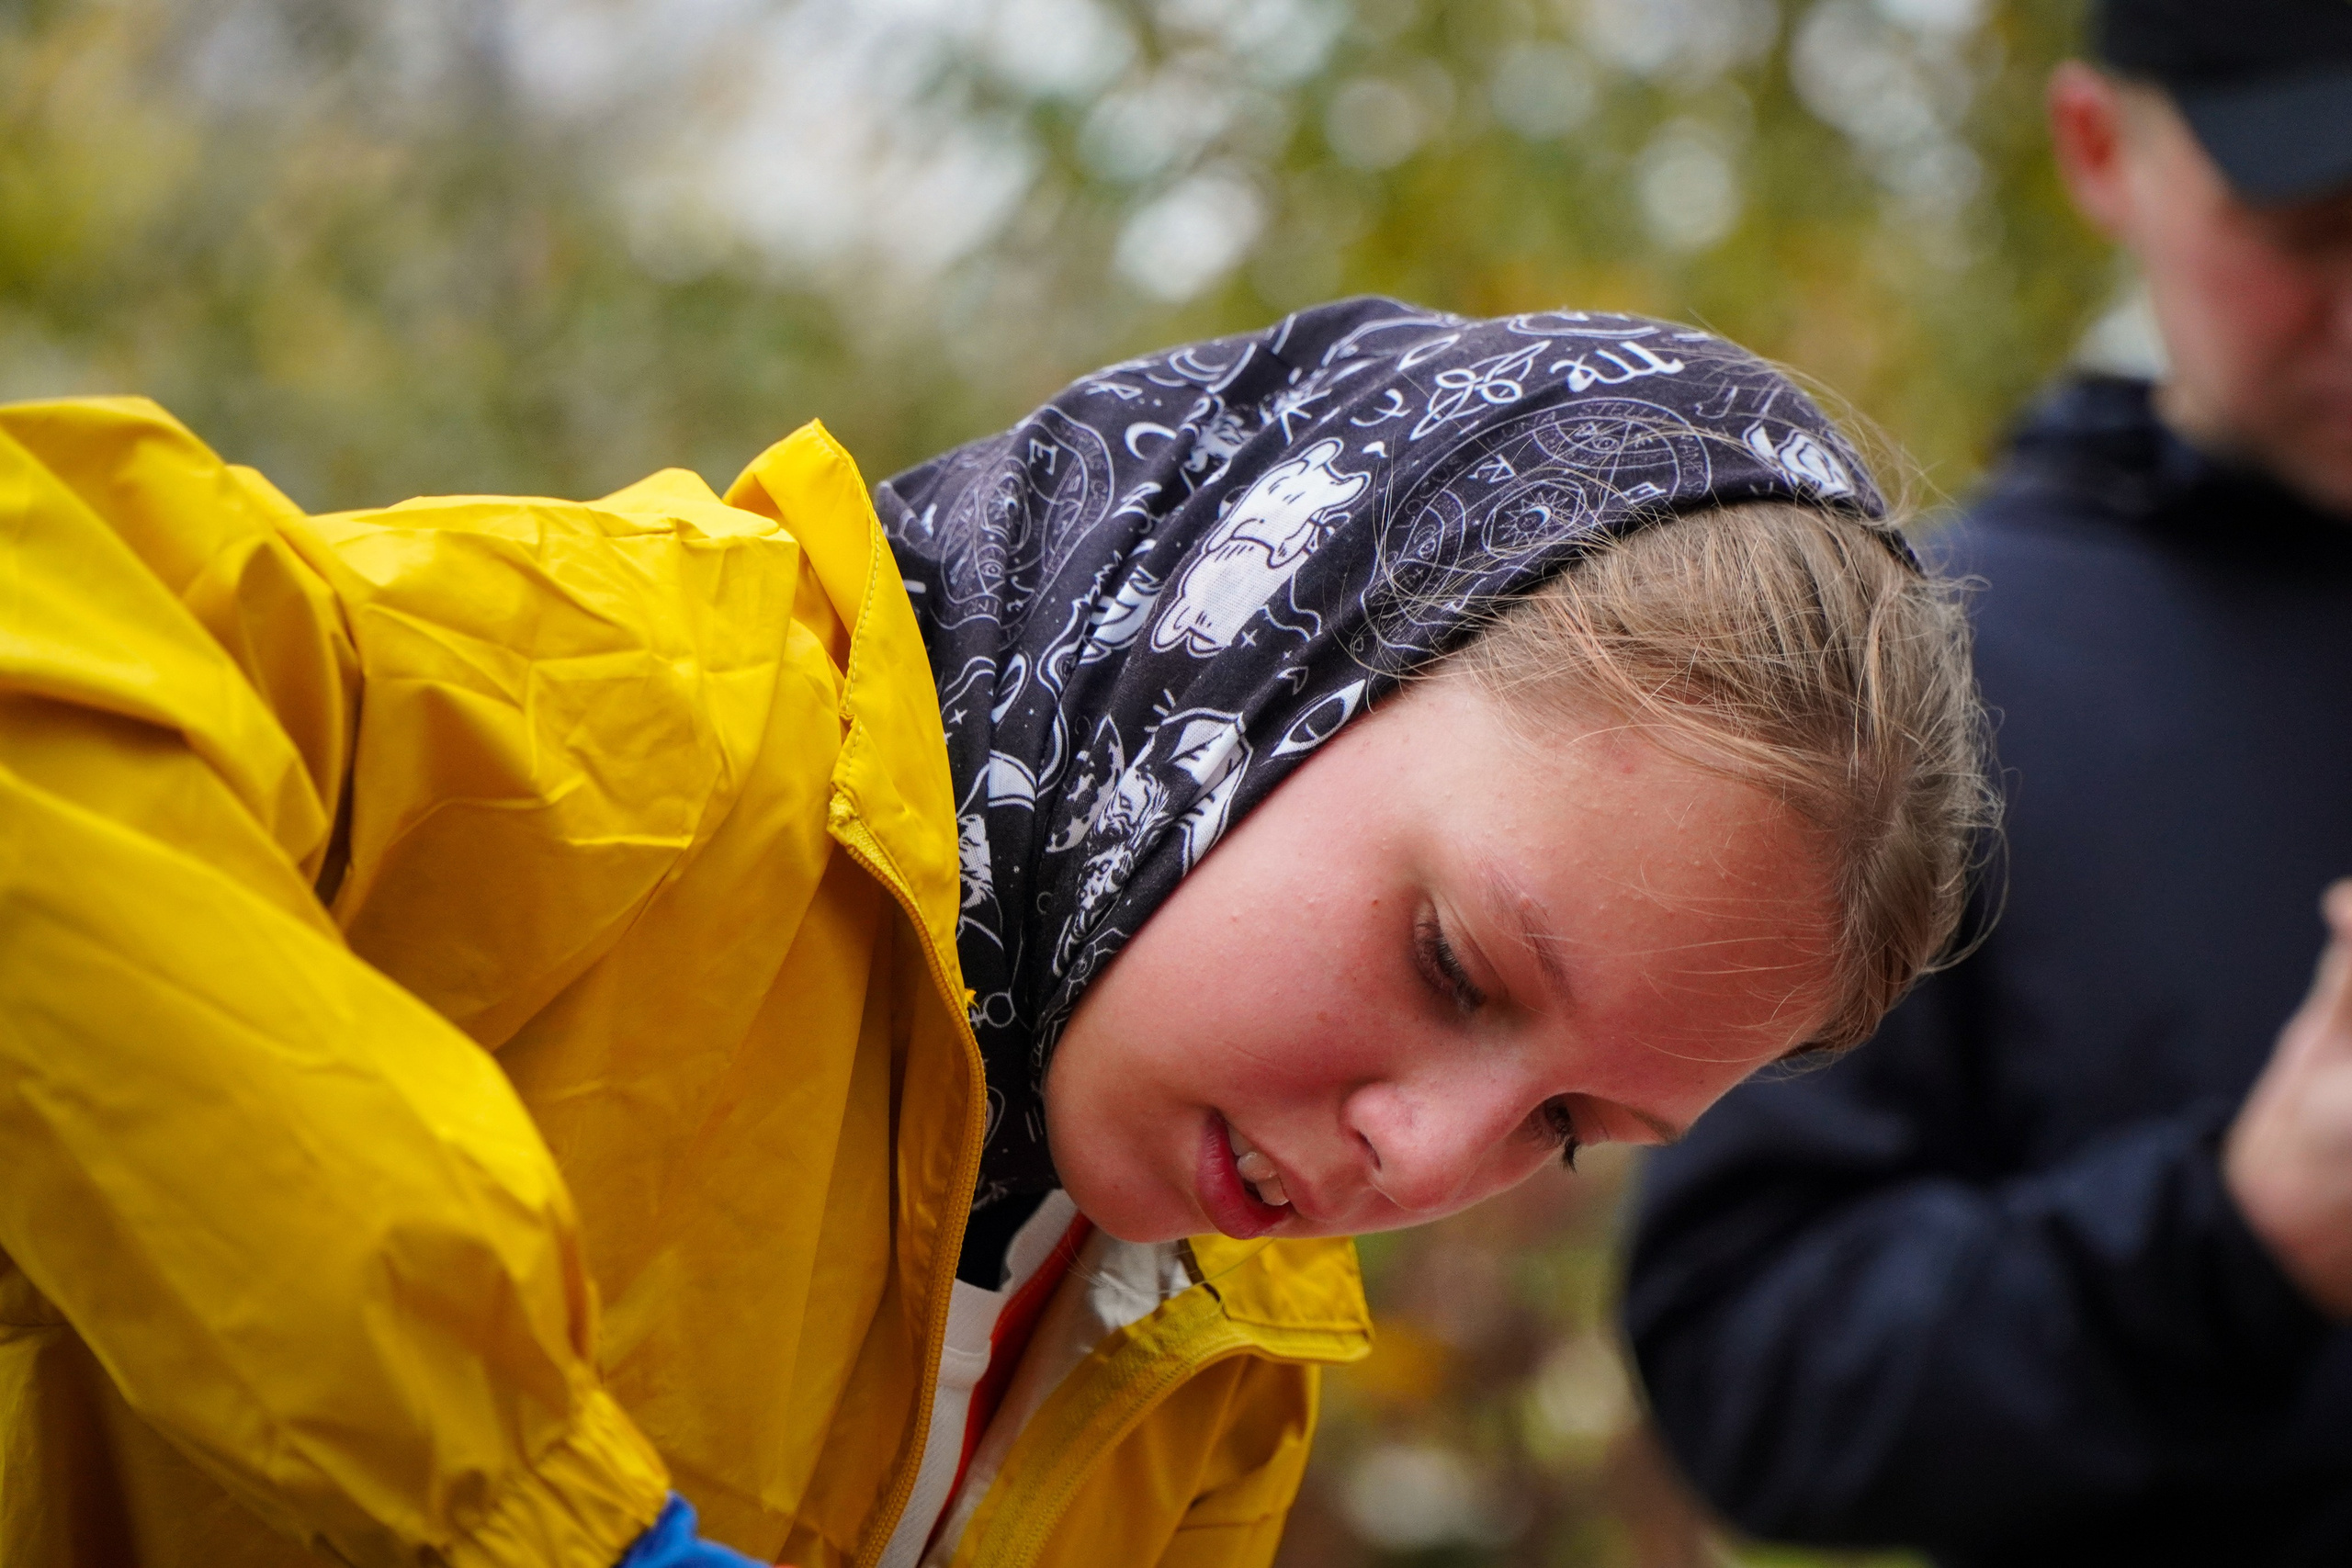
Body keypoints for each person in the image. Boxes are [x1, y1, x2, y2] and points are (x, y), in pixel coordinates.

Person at [0, 298, 1986, 1567]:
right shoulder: (621, 723)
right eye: (1453, 967)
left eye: (1565, 1128)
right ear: (1268, 651)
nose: (1424, 1156)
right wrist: (533, 1507)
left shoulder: (1212, 1357)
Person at [1623, 3, 2352, 1564]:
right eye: (2312, 223)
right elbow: (1745, 1363)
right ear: (2102, 148)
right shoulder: (1937, 696)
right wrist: (2239, 1244)